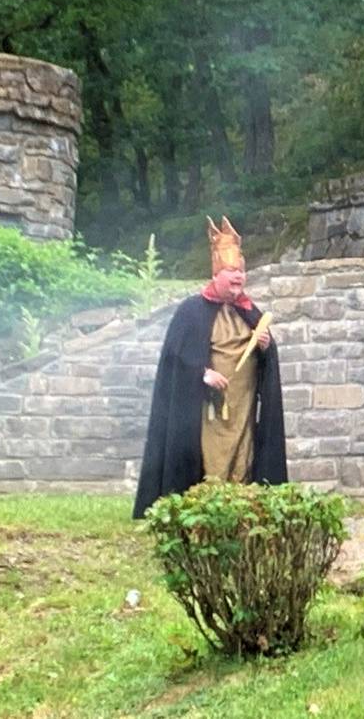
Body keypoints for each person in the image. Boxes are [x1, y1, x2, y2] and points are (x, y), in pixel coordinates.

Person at [132, 217, 289, 518]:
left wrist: (267, 347)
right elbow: (175, 359)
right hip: (207, 411)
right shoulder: (191, 311)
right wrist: (202, 373)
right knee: (208, 457)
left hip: (242, 409)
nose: (238, 277)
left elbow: (267, 362)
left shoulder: (250, 311)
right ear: (216, 274)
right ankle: (205, 505)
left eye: (241, 271)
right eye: (231, 271)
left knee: (245, 454)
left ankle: (240, 507)